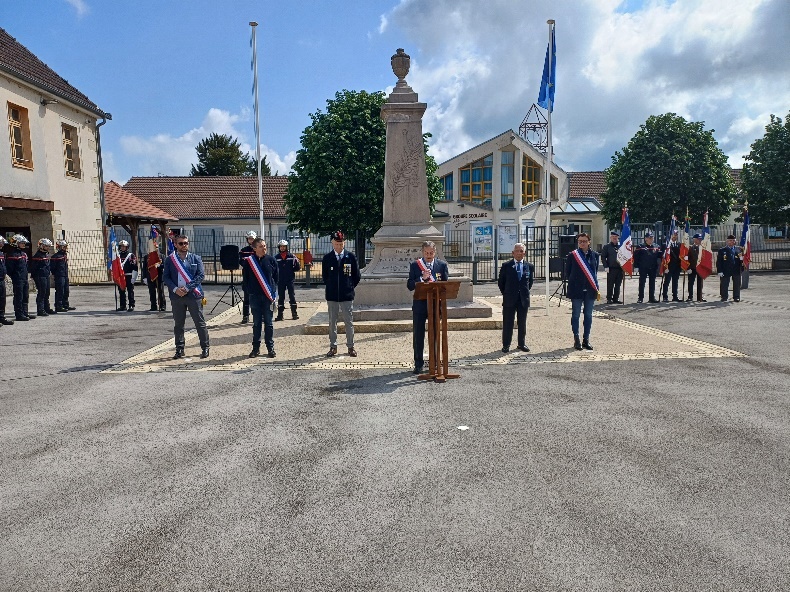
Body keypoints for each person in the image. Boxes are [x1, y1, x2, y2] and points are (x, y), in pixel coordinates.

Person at [162, 234, 210, 359]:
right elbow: (166, 277)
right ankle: (179, 349)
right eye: (181, 243)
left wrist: (187, 288)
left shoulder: (196, 258)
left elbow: (200, 276)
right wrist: (175, 289)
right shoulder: (170, 260)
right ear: (175, 245)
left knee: (199, 322)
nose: (184, 245)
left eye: (186, 243)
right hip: (177, 296)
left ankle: (205, 347)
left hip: (193, 295)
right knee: (179, 324)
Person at [407, 241, 450, 373]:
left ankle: (435, 362)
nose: (429, 255)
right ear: (422, 252)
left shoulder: (442, 265)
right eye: (426, 253)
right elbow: (410, 285)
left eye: (431, 252)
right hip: (420, 305)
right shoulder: (415, 265)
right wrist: (421, 278)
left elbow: (446, 285)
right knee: (418, 335)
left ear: (435, 252)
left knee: (436, 333)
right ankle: (418, 363)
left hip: (436, 304)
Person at [322, 230, 361, 357]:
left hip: (346, 295)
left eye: (341, 243)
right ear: (332, 243)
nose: (339, 246)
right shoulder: (327, 258)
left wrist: (349, 287)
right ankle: (333, 346)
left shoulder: (350, 257)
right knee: (332, 322)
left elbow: (356, 276)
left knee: (348, 322)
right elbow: (325, 277)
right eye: (337, 244)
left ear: (344, 243)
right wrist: (332, 286)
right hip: (332, 296)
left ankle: (351, 346)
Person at [243, 237, 278, 358]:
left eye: (265, 246)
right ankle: (255, 349)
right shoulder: (249, 262)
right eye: (261, 246)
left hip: (268, 297)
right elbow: (245, 279)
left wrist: (272, 291)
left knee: (269, 323)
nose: (264, 248)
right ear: (254, 248)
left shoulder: (271, 260)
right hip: (255, 297)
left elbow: (276, 277)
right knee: (257, 323)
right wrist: (250, 291)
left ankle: (270, 348)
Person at [497, 242, 534, 353]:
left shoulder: (529, 266)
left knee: (522, 323)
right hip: (509, 299)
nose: (519, 253)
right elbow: (501, 283)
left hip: (523, 299)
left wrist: (523, 292)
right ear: (513, 253)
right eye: (517, 251)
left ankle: (521, 344)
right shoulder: (506, 266)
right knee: (508, 322)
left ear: (524, 253)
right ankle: (506, 345)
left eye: (521, 251)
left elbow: (530, 283)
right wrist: (507, 293)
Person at [565, 232, 599, 351]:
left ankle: (586, 339)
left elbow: (594, 272)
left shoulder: (595, 255)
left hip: (590, 290)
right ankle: (577, 339)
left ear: (589, 242)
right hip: (576, 290)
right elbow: (568, 272)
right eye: (580, 241)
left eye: (584, 241)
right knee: (576, 314)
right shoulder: (572, 255)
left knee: (588, 315)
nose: (582, 243)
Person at [6, 235, 34, 320]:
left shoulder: (23, 253)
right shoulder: (12, 254)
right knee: (19, 296)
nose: (24, 244)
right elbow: (9, 269)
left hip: (24, 278)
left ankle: (25, 312)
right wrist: (16, 276)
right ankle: (19, 314)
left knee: (25, 296)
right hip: (18, 279)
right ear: (16, 243)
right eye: (22, 243)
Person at [275, 239, 301, 321]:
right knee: (281, 297)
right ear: (279, 247)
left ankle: (294, 313)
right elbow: (274, 269)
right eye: (281, 246)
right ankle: (280, 315)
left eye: (284, 246)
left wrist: (291, 271)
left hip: (290, 279)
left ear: (287, 247)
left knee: (292, 296)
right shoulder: (276, 257)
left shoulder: (292, 256)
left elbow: (297, 266)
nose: (282, 248)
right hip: (280, 280)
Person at [635, 231, 662, 303]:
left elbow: (660, 256)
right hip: (643, 267)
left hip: (653, 267)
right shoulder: (640, 246)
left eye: (652, 238)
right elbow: (636, 257)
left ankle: (651, 298)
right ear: (645, 239)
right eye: (650, 238)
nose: (651, 239)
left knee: (652, 283)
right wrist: (636, 266)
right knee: (642, 282)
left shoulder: (656, 246)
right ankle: (640, 298)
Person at [30, 238, 55, 316]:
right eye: (46, 246)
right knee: (42, 292)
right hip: (40, 276)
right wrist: (35, 277)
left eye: (48, 246)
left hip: (46, 275)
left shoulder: (45, 254)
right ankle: (40, 310)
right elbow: (34, 268)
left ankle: (46, 308)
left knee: (47, 293)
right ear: (41, 246)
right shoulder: (38, 256)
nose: (48, 248)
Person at [50, 239, 75, 312]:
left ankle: (65, 305)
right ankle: (59, 306)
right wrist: (56, 274)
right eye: (64, 247)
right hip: (59, 276)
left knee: (66, 291)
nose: (65, 248)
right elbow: (53, 267)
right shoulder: (56, 256)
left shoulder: (64, 255)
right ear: (60, 247)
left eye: (66, 247)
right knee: (60, 291)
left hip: (65, 275)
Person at [717, 234, 744, 302]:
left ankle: (736, 297)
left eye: (733, 240)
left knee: (737, 284)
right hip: (725, 269)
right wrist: (719, 271)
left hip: (736, 269)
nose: (732, 242)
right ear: (727, 241)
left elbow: (741, 259)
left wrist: (742, 268)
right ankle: (724, 297)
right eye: (730, 240)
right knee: (724, 284)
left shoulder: (739, 249)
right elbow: (719, 261)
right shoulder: (722, 250)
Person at [142, 237, 166, 312]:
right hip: (150, 276)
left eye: (156, 247)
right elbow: (144, 268)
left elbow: (165, 266)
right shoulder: (147, 257)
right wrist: (144, 277)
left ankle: (162, 306)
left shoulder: (162, 256)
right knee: (152, 292)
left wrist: (160, 266)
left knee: (160, 291)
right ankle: (153, 306)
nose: (155, 249)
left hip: (159, 276)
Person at [239, 230, 257, 324]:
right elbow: (241, 261)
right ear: (247, 239)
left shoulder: (258, 249)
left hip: (257, 276)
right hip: (247, 276)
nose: (251, 240)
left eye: (252, 239)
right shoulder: (243, 250)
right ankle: (245, 316)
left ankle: (259, 315)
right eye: (249, 239)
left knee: (258, 297)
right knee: (247, 297)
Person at [600, 230, 623, 304]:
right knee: (610, 284)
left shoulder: (621, 246)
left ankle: (616, 298)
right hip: (611, 268)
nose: (614, 238)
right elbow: (603, 257)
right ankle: (609, 298)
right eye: (613, 237)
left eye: (616, 237)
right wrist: (605, 266)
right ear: (610, 238)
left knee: (618, 284)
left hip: (620, 268)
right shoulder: (607, 246)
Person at [117, 239, 138, 311]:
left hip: (129, 275)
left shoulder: (131, 255)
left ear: (127, 247)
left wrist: (134, 277)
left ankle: (131, 305)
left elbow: (134, 266)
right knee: (121, 291)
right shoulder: (118, 256)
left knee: (130, 291)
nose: (123, 248)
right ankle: (123, 305)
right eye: (121, 246)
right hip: (121, 276)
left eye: (124, 246)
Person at [661, 230, 682, 302]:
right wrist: (665, 266)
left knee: (675, 282)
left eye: (676, 235)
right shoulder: (666, 244)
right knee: (667, 281)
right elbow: (663, 256)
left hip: (677, 266)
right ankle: (665, 296)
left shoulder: (679, 244)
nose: (675, 236)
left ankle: (675, 296)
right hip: (668, 266)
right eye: (673, 234)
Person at [687, 233, 706, 302]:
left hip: (700, 268)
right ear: (694, 240)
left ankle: (699, 297)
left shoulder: (703, 248)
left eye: (700, 239)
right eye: (698, 239)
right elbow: (688, 259)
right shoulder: (690, 248)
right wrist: (688, 268)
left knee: (700, 283)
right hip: (692, 268)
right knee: (691, 283)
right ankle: (690, 297)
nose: (700, 240)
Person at [0, 236, 14, 326]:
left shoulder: (1, 253)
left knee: (2, 299)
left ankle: (1, 317)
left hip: (1, 279)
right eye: (1, 243)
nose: (2, 244)